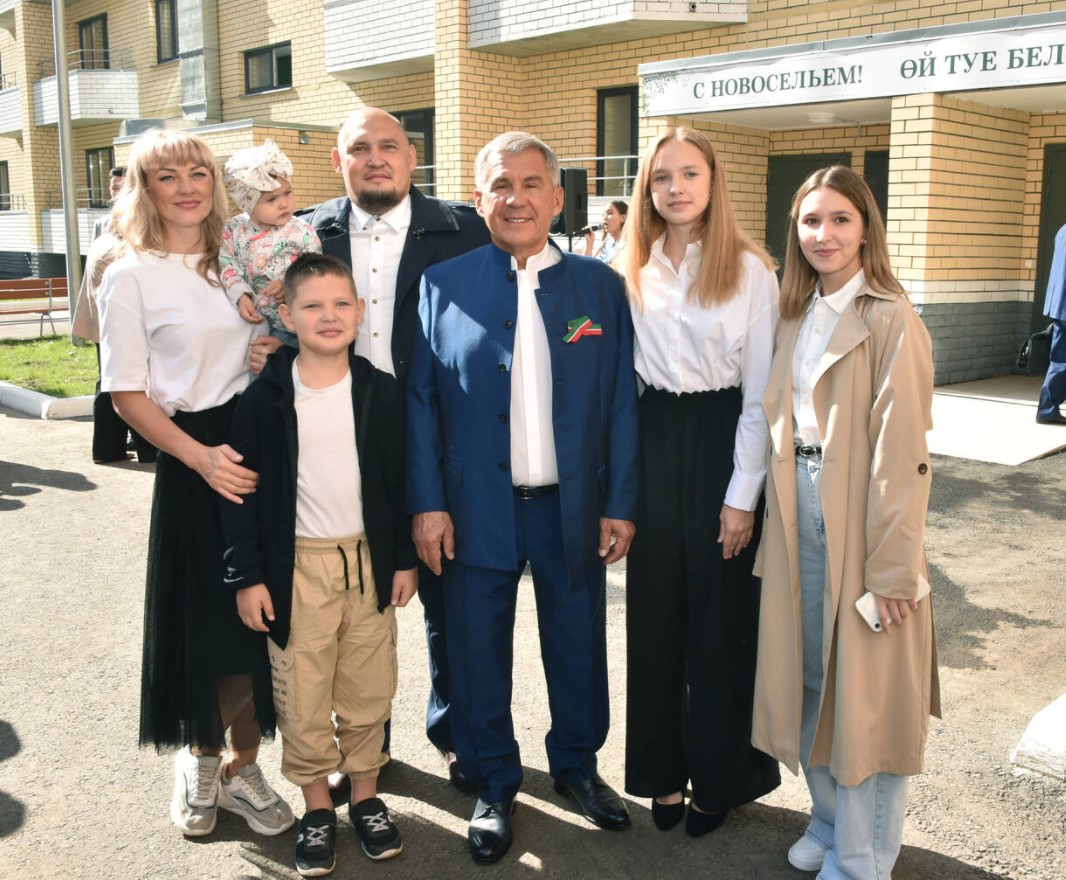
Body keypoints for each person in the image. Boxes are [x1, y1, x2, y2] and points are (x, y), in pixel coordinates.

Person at [407, 131, 639, 865]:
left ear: (557, 198)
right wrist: (427, 504)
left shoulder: (599, 288)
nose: (517, 198)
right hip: (476, 506)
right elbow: (420, 404)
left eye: (532, 183)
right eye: (500, 185)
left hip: (572, 507)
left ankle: (576, 765)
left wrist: (620, 501)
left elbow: (622, 404)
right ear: (478, 200)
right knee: (477, 651)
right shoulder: (443, 284)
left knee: (577, 644)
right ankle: (493, 781)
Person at [97, 128, 293, 839]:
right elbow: (126, 393)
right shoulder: (129, 275)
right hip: (192, 460)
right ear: (144, 190)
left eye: (197, 173)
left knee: (260, 622)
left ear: (216, 184)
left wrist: (265, 353)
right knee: (206, 623)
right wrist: (199, 458)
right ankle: (202, 758)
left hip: (256, 449)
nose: (186, 187)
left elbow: (264, 344)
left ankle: (245, 766)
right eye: (167, 176)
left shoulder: (235, 258)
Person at [752, 165, 940, 880]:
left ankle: (864, 859)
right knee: (810, 679)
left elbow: (902, 454)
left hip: (861, 515)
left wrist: (894, 569)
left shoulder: (890, 317)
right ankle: (829, 822)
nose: (823, 234)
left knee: (866, 697)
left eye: (840, 219)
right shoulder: (794, 312)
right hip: (794, 507)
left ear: (865, 230)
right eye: (810, 220)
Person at [297, 108, 489, 797]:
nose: (375, 158)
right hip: (337, 444)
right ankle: (362, 749)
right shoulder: (305, 233)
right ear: (338, 161)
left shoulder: (465, 230)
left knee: (450, 601)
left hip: (442, 440)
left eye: (388, 146)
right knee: (347, 604)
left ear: (412, 157)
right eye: (359, 148)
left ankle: (458, 734)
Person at [221, 253, 417, 876]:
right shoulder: (264, 400)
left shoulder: (382, 392)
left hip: (367, 564)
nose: (328, 316)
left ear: (360, 312)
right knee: (303, 694)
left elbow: (400, 484)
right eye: (312, 305)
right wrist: (247, 577)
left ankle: (366, 797)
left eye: (340, 304)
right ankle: (316, 808)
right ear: (286, 315)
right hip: (296, 570)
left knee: (368, 688)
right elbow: (240, 495)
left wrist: (404, 559)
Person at [618, 127, 781, 836]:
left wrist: (742, 496)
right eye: (662, 177)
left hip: (724, 441)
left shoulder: (751, 270)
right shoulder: (628, 266)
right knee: (656, 617)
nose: (675, 188)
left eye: (689, 174)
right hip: (653, 437)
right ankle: (660, 773)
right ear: (647, 189)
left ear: (713, 182)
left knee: (721, 627)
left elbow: (761, 394)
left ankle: (719, 778)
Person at [72, 165, 156, 464]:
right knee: (132, 385)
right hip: (115, 323)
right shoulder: (119, 242)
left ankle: (108, 450)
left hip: (103, 321)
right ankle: (146, 450)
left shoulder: (107, 233)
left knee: (110, 384)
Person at [220, 140, 321, 348]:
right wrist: (241, 295)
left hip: (292, 326)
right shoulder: (234, 230)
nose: (283, 203)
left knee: (282, 361)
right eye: (271, 199)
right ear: (248, 203)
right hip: (249, 319)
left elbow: (315, 268)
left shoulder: (301, 231)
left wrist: (289, 284)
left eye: (288, 193)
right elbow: (228, 265)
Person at [1037, 222, 1066, 424]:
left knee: (1060, 359)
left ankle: (1047, 409)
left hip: (1059, 304)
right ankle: (1047, 409)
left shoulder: (1062, 230)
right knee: (1061, 360)